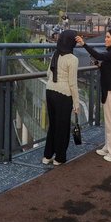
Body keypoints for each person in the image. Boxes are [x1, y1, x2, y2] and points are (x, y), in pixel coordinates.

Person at [75, 29, 111, 162]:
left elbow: (99, 56)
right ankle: (109, 146)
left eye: (108, 37)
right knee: (109, 121)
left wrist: (84, 44)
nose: (106, 39)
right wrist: (99, 65)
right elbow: (107, 67)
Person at [43, 29, 80, 166]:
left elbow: (48, 73)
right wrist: (76, 104)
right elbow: (72, 83)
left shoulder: (55, 54)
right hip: (64, 94)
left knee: (53, 125)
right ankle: (59, 157)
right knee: (62, 126)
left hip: (50, 91)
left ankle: (47, 156)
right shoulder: (73, 59)